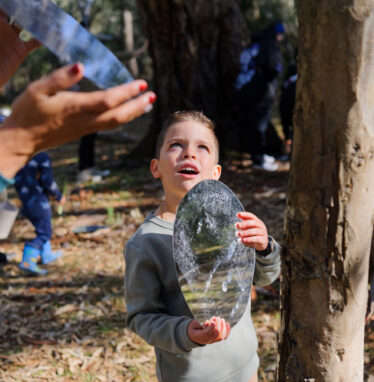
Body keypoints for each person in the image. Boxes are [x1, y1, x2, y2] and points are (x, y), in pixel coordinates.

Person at [124, 111, 281, 382]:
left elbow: (263, 277)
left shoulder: (229, 222)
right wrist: (185, 332)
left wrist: (264, 248)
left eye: (202, 147)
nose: (189, 154)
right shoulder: (145, 243)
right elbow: (142, 318)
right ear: (156, 167)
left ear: (216, 172)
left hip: (246, 367)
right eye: (176, 145)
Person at [0, 9, 156, 192]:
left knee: (89, 140)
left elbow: (126, 55)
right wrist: (15, 145)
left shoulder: (96, 60)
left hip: (92, 103)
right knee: (87, 141)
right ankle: (85, 171)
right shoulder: (77, 61)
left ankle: (87, 170)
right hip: (85, 103)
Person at [235, 22, 284, 171]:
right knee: (259, 126)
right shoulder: (270, 45)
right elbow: (272, 68)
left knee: (252, 124)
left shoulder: (254, 45)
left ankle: (258, 154)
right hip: (260, 92)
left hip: (245, 90)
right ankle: (259, 159)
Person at [15, 152, 65, 275]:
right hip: (38, 201)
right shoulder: (41, 156)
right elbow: (47, 179)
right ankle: (27, 261)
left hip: (25, 200)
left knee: (42, 228)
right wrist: (58, 195)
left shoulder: (20, 155)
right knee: (45, 233)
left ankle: (46, 255)